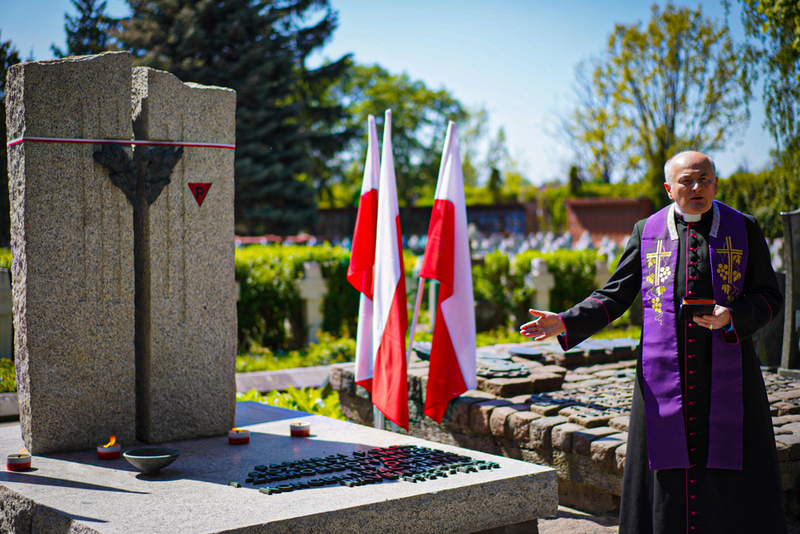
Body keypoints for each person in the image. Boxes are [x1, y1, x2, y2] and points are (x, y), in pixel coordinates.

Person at [520, 151, 786, 534]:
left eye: (705, 179)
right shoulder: (647, 230)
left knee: (731, 469)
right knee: (667, 471)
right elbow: (616, 294)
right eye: (687, 181)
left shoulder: (743, 227)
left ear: (715, 183)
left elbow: (769, 296)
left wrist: (733, 316)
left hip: (729, 371)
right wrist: (565, 321)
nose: (697, 188)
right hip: (664, 375)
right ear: (668, 188)